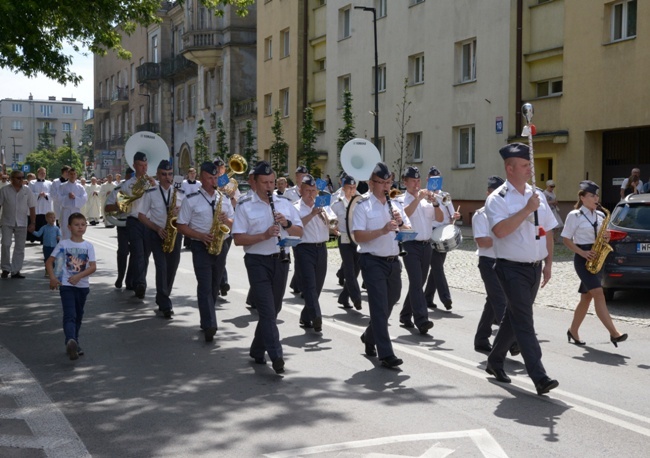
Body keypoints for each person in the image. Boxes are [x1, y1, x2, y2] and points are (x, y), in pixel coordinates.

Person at [484, 142, 559, 396]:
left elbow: (547, 228)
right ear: (510, 168)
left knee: (514, 318)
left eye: (529, 164)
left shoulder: (535, 193)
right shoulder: (498, 198)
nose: (530, 169)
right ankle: (539, 376)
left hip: (534, 268)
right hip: (510, 268)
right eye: (525, 165)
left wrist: (548, 263)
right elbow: (500, 231)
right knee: (525, 321)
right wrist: (527, 210)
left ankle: (494, 360)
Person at [232, 161, 303, 374]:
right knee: (267, 310)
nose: (269, 186)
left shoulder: (284, 204)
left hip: (281, 260)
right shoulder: (245, 205)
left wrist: (287, 224)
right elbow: (237, 239)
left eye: (272, 182)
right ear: (255, 182)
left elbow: (299, 232)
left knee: (275, 308)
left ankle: (257, 349)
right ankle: (276, 356)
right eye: (265, 182)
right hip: (257, 261)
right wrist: (263, 235)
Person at [352, 162, 411, 368]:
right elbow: (358, 236)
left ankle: (369, 336)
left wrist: (401, 224)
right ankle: (386, 354)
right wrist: (383, 230)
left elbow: (409, 228)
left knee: (392, 299)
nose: (386, 186)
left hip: (393, 260)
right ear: (371, 183)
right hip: (372, 260)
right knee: (378, 307)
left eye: (389, 182)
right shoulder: (362, 205)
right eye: (381, 182)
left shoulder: (396, 204)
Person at [561, 180, 628, 347]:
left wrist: (606, 237)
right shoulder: (574, 215)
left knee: (586, 298)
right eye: (592, 195)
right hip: (583, 258)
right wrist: (582, 252)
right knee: (598, 293)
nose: (596, 198)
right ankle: (614, 333)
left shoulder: (600, 215)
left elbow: (604, 236)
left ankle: (573, 330)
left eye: (596, 195)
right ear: (582, 198)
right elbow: (566, 239)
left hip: (598, 257)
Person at [177, 162, 234, 342]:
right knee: (204, 284)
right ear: (202, 178)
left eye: (216, 178)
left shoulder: (223, 198)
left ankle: (206, 318)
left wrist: (227, 220)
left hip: (220, 244)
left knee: (214, 285)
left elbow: (234, 221)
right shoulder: (191, 198)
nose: (213, 181)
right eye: (210, 178)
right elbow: (181, 226)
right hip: (200, 246)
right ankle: (210, 323)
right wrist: (200, 236)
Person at [472, 176, 518, 354]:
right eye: (493, 192)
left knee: (492, 301)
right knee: (501, 301)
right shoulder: (481, 214)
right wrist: (503, 236)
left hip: (503, 260)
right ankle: (512, 342)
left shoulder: (506, 214)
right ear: (488, 192)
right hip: (488, 262)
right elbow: (481, 241)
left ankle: (481, 338)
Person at [397, 166, 443, 334]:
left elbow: (440, 218)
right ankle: (422, 320)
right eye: (413, 181)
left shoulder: (426, 200)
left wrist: (436, 203)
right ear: (405, 182)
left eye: (418, 181)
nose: (416, 184)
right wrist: (418, 198)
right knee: (416, 282)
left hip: (426, 245)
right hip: (410, 243)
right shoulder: (401, 199)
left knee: (419, 282)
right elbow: (405, 214)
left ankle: (405, 314)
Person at [45, 212, 97, 360]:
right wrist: (53, 278)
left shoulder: (88, 246)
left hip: (83, 287)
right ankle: (70, 340)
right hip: (66, 285)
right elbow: (49, 262)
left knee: (79, 316)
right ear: (69, 227)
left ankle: (75, 342)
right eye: (76, 225)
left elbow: (93, 267)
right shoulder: (64, 244)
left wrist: (79, 276)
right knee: (70, 315)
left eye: (83, 224)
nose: (80, 227)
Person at [138, 160, 184, 319]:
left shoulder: (180, 193)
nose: (167, 177)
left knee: (172, 267)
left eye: (170, 174)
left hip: (175, 234)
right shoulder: (150, 193)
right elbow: (141, 216)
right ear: (158, 175)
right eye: (163, 174)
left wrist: (180, 212)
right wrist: (157, 228)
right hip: (156, 234)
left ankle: (163, 295)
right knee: (162, 267)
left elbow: (188, 217)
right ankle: (165, 303)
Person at [294, 174, 333, 333]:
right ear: (301, 190)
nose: (311, 194)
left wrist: (331, 222)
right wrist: (311, 214)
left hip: (321, 248)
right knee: (309, 285)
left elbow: (331, 222)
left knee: (317, 286)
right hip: (304, 249)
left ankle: (305, 316)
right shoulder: (296, 207)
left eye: (313, 190)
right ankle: (317, 317)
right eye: (308, 190)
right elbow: (296, 227)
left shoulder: (322, 204)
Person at [423, 166, 460, 310]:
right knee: (437, 266)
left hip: (443, 233)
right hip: (430, 233)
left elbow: (452, 215)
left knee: (436, 268)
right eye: (432, 179)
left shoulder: (445, 195)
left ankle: (427, 298)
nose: (435, 182)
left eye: (437, 179)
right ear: (427, 179)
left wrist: (456, 216)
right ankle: (446, 298)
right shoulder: (424, 196)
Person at [123, 152, 153, 299]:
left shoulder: (152, 182)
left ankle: (133, 280)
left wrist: (155, 186)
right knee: (138, 253)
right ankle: (141, 284)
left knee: (145, 254)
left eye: (146, 165)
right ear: (134, 165)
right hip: (134, 221)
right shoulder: (129, 184)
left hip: (148, 222)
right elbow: (126, 201)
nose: (144, 168)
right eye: (141, 165)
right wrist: (141, 185)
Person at [330, 175, 362, 309]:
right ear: (343, 188)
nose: (352, 190)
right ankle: (356, 297)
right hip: (344, 239)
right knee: (349, 269)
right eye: (349, 188)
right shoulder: (337, 204)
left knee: (356, 270)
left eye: (354, 188)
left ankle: (344, 297)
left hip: (357, 239)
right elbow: (331, 221)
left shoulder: (360, 203)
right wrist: (334, 229)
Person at [0, 170, 36, 278]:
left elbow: (32, 207)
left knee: (20, 247)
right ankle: (5, 268)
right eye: (18, 178)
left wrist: (33, 223)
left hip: (22, 222)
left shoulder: (27, 190)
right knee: (6, 244)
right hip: (7, 221)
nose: (21, 180)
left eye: (22, 177)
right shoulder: (4, 190)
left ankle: (15, 270)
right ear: (12, 179)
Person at [104, 168, 133, 289]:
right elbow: (107, 208)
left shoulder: (145, 187)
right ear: (126, 176)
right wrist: (117, 206)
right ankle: (121, 276)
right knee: (123, 251)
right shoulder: (119, 188)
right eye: (131, 176)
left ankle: (131, 280)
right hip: (123, 223)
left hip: (139, 223)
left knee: (138, 253)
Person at [58, 169, 87, 240]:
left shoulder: (80, 187)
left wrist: (75, 198)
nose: (73, 176)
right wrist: (67, 197)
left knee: (76, 229)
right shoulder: (62, 186)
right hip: (66, 211)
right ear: (68, 175)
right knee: (65, 229)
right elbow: (58, 198)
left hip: (75, 211)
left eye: (74, 174)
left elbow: (84, 198)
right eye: (71, 174)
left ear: (76, 175)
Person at [31, 211, 61, 276]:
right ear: (46, 219)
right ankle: (47, 270)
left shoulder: (56, 228)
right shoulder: (44, 227)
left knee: (53, 259)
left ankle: (52, 270)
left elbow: (60, 235)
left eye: (54, 217)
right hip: (46, 246)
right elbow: (39, 234)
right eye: (51, 217)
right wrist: (32, 232)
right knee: (47, 258)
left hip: (54, 247)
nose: (53, 219)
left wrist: (59, 237)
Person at [28, 167, 53, 243]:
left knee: (45, 222)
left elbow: (52, 194)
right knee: (35, 221)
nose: (43, 174)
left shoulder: (49, 183)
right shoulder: (32, 182)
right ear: (37, 173)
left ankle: (43, 239)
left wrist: (46, 195)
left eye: (44, 173)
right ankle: (33, 237)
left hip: (45, 206)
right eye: (41, 173)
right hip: (36, 205)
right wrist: (38, 194)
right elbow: (30, 193)